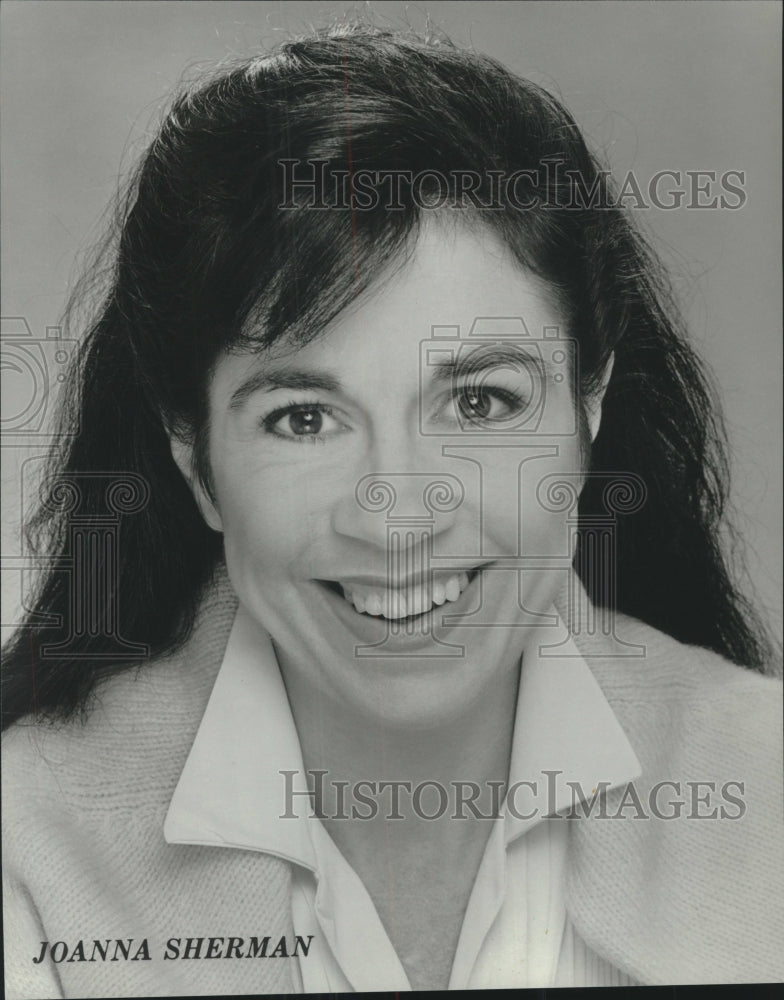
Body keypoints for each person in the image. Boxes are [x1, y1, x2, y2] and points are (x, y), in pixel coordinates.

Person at [2, 23, 781, 997]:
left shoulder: (768, 793)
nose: (398, 515)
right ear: (196, 461)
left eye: (479, 402)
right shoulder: (25, 843)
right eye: (304, 417)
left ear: (588, 407)